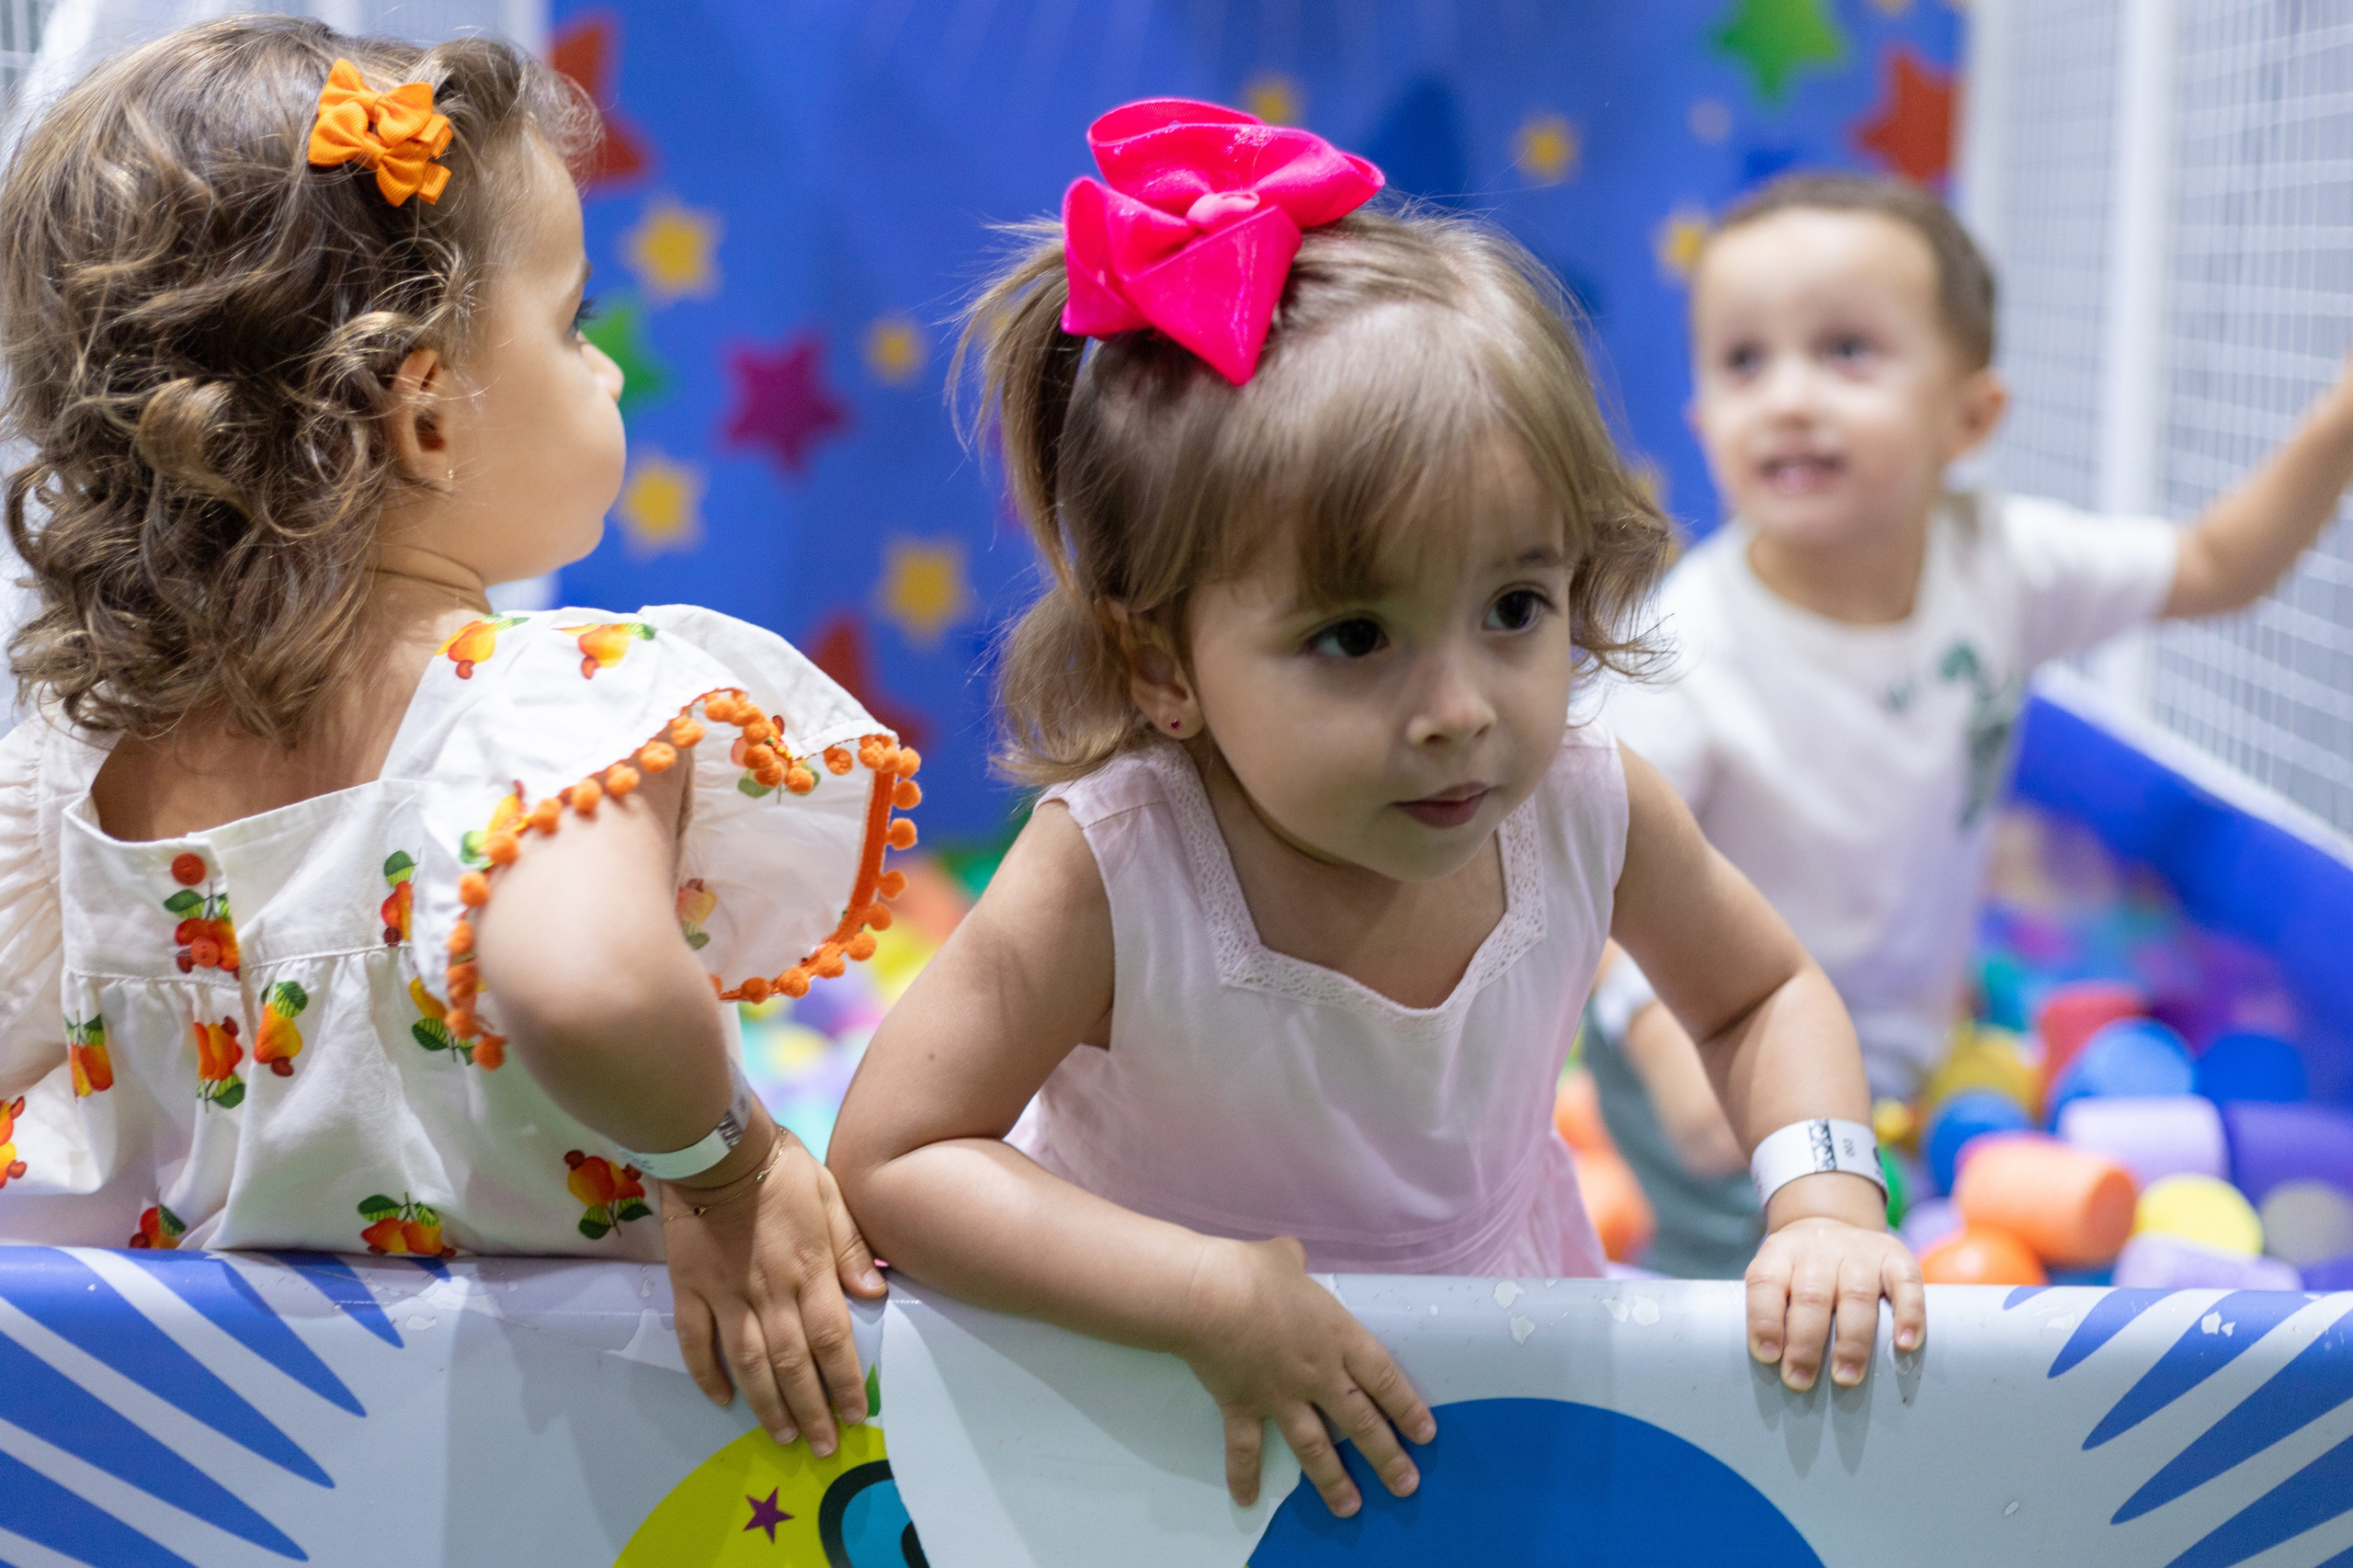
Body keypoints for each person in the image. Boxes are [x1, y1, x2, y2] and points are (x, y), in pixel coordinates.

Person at [828, 99, 1925, 1524]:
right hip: (1159, 1388)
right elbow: (897, 1154)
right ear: (1163, 662)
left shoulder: (1586, 808)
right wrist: (1200, 1291)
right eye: (1356, 636)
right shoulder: (1122, 866)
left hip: (1501, 1344)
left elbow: (1760, 991)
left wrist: (1827, 1198)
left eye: (1516, 607)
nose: (1461, 706)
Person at [0, 18, 914, 1457]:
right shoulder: (557, 705)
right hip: (556, 1459)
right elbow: (594, 979)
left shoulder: (83, 763)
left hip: (206, 1458)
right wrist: (730, 1172)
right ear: (426, 418)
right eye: (571, 326)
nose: (604, 373)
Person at [1592, 172, 2353, 1273]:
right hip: (1716, 1047)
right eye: (1745, 360)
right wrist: (1666, 1044)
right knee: (1761, 1276)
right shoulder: (1681, 650)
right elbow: (1600, 865)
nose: (1790, 396)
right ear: (1705, 419)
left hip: (1900, 1044)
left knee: (1907, 1214)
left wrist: (2333, 425)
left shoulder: (2002, 561)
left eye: (1846, 350)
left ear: (1970, 416)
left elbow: (2214, 566)